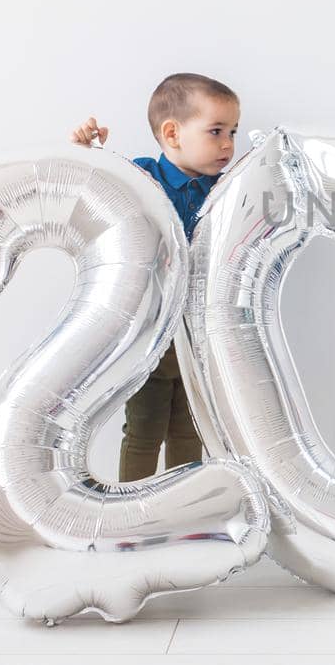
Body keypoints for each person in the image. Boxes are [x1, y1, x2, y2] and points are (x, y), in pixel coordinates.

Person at [70, 72, 241, 481]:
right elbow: (94, 195)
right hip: (150, 332)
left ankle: (181, 508)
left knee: (190, 427)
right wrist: (85, 154)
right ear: (172, 133)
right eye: (216, 131)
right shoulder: (142, 176)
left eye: (233, 132)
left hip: (199, 334)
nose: (228, 145)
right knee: (145, 428)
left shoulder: (228, 188)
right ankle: (133, 509)